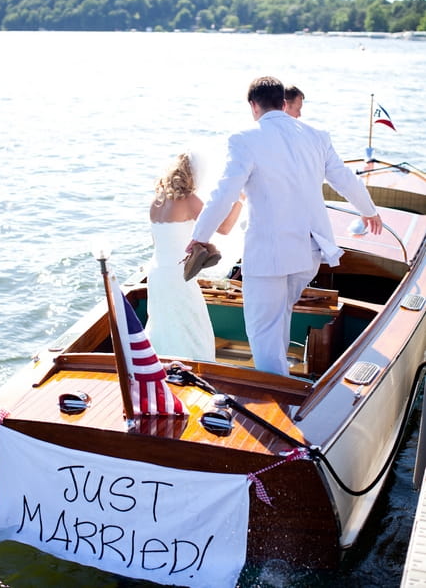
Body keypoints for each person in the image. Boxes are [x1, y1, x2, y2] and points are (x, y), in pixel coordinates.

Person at [186, 76, 382, 376]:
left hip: (269, 257)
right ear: (282, 102)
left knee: (263, 331)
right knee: (279, 319)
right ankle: (283, 379)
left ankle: (276, 401)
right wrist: (369, 211)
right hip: (308, 253)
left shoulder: (244, 139)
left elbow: (224, 193)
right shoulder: (317, 135)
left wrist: (198, 237)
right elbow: (345, 178)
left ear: (254, 106)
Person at [145, 152, 243, 361]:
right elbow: (224, 227)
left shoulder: (157, 201)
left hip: (157, 272)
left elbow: (159, 241)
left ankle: (163, 366)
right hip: (179, 275)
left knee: (164, 325)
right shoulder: (189, 200)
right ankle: (196, 368)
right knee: (193, 326)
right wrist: (239, 201)